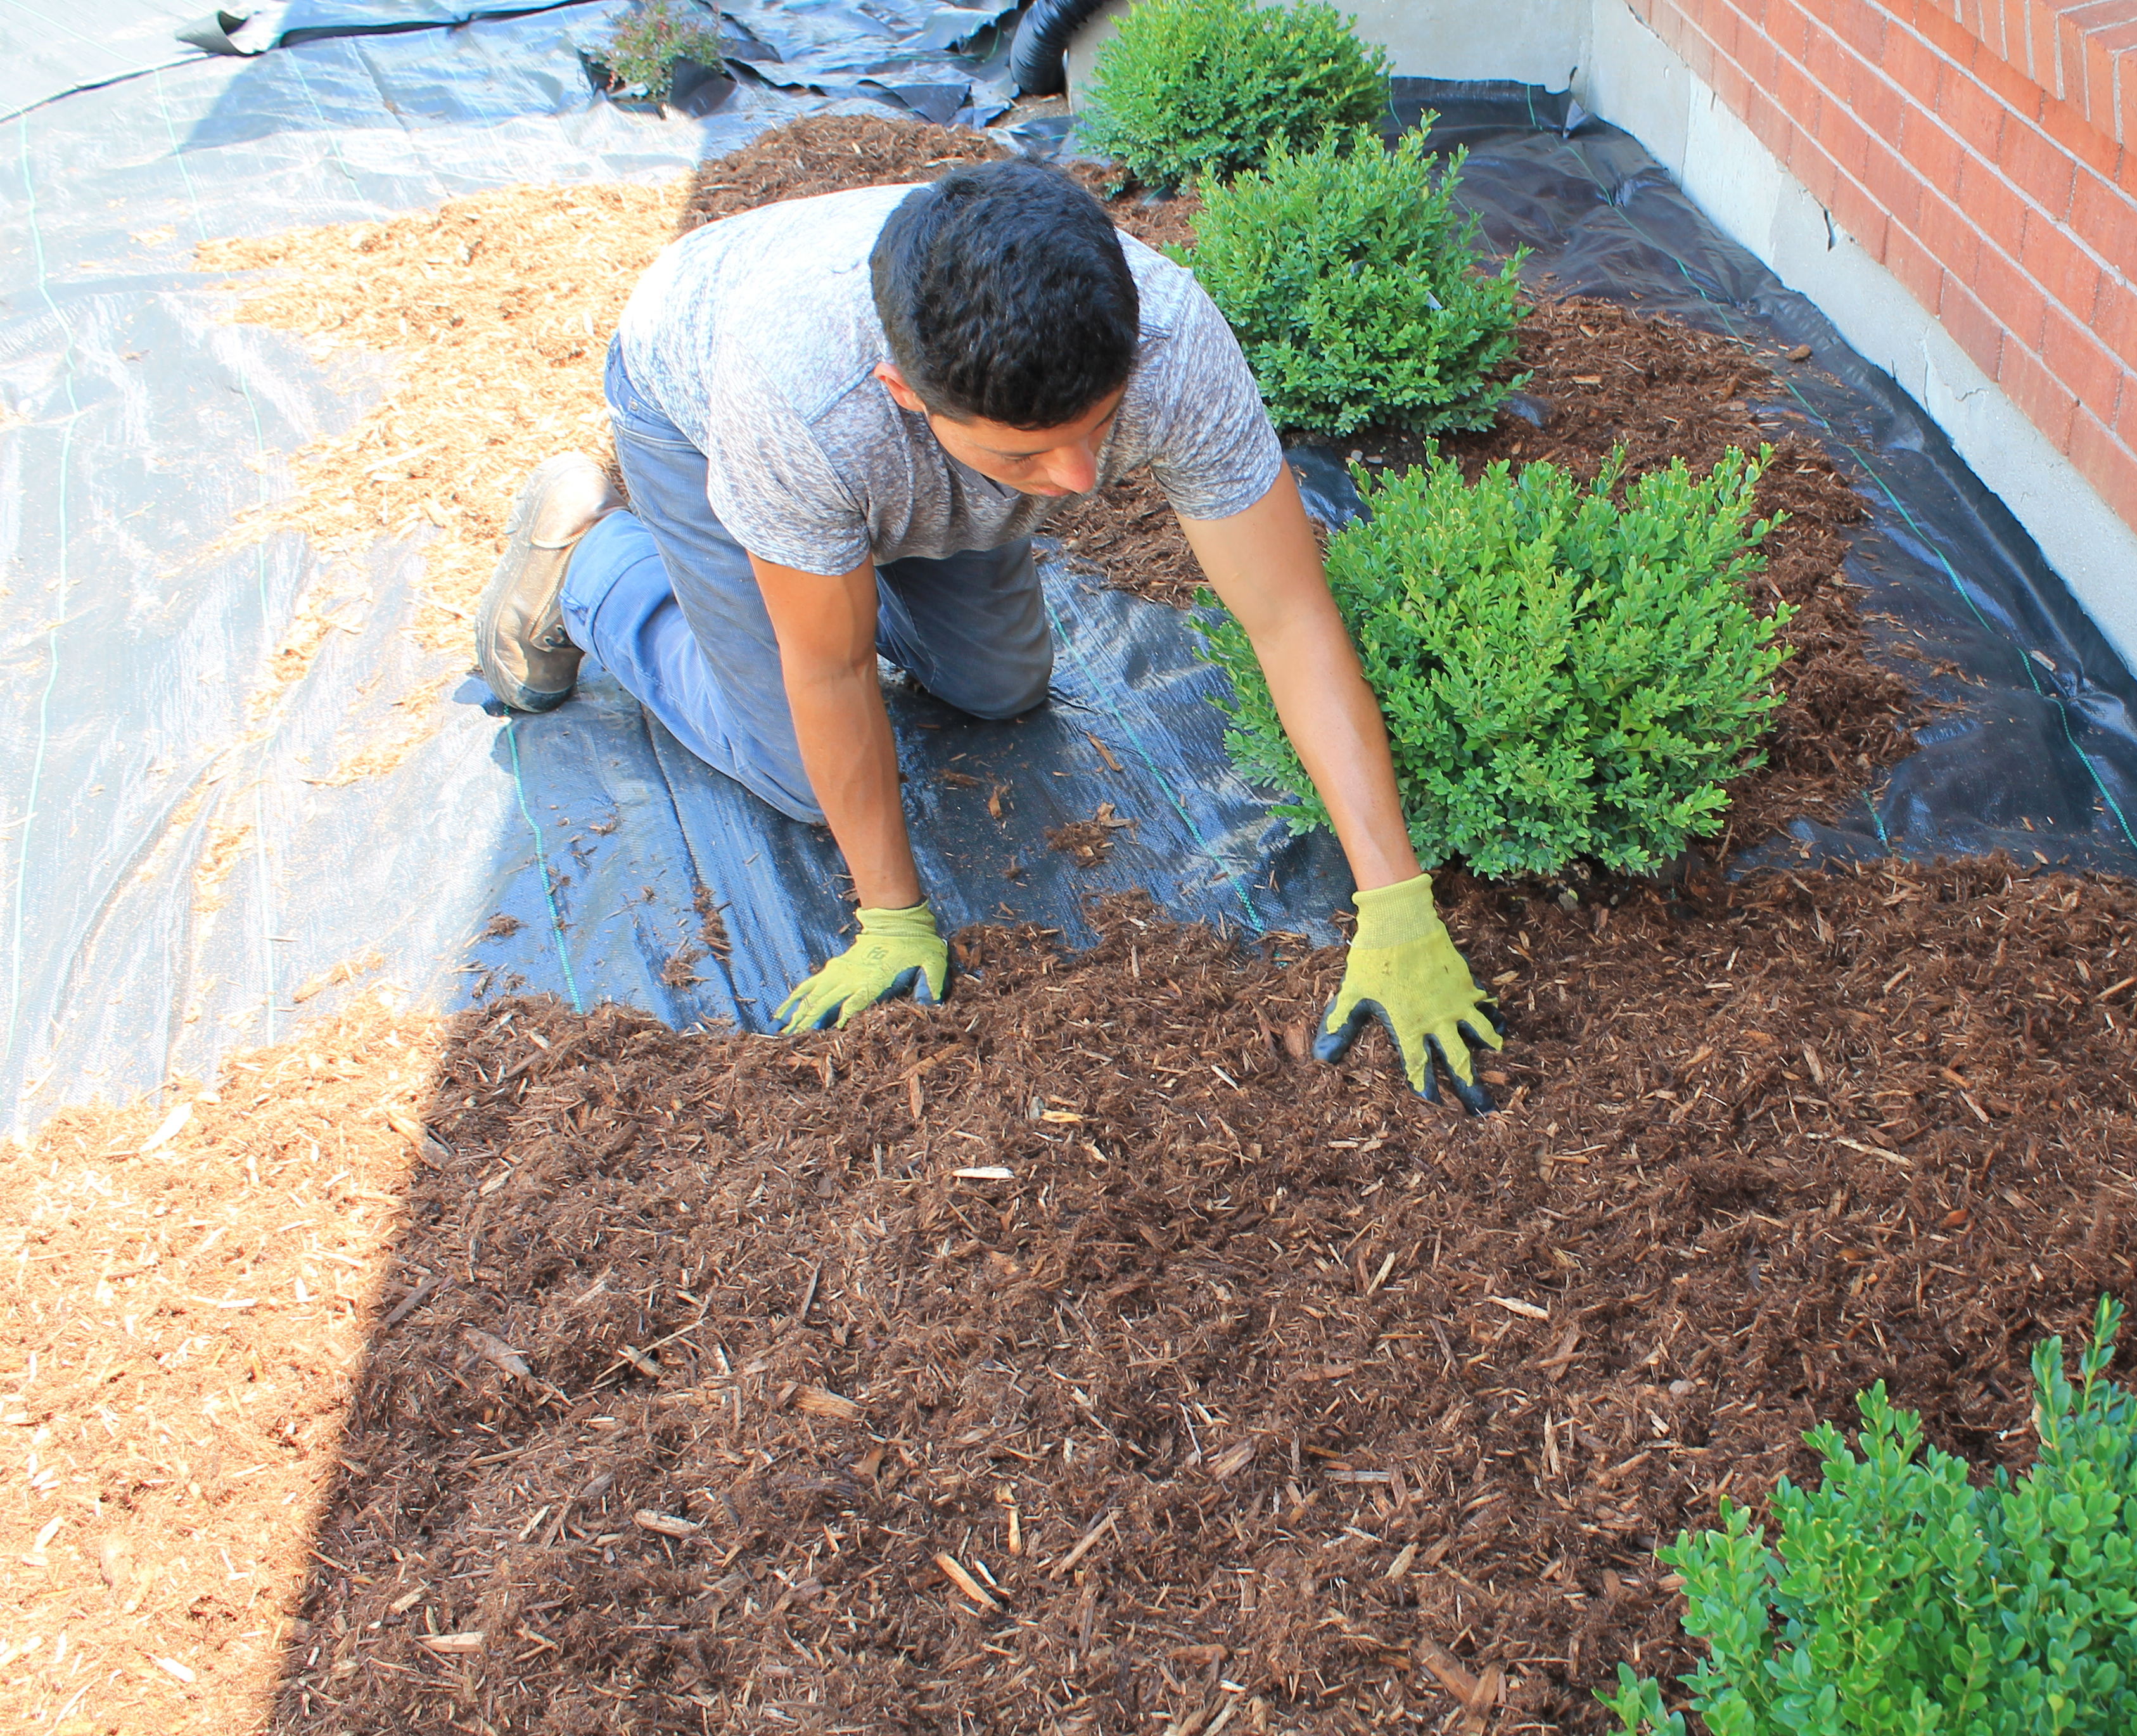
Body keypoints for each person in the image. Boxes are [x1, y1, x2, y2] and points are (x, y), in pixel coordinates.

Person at [472, 158, 1500, 1107]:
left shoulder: (1170, 345)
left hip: (895, 470)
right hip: (691, 395)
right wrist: (891, 916)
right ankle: (591, 568)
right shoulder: (800, 404)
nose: (1083, 481)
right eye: (1033, 456)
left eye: (1098, 428)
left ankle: (882, 541)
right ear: (906, 395)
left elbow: (1288, 618)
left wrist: (1397, 902)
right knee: (794, 765)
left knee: (1002, 684)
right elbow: (826, 669)